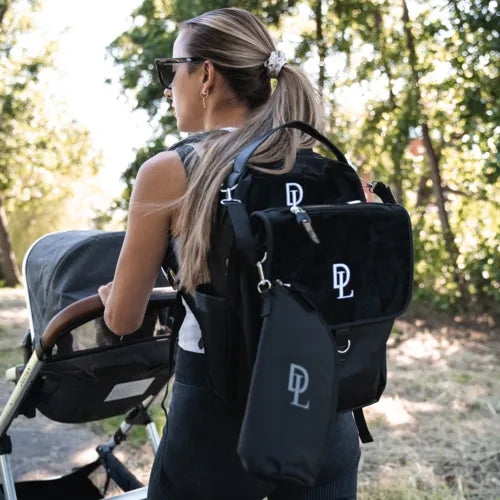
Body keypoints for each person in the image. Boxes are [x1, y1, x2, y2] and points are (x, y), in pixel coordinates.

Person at [98, 7, 360, 500]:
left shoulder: (172, 169)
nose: (167, 85)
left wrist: (114, 296)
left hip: (217, 426)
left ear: (207, 75)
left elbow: (124, 319)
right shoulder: (319, 165)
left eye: (170, 69)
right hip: (324, 411)